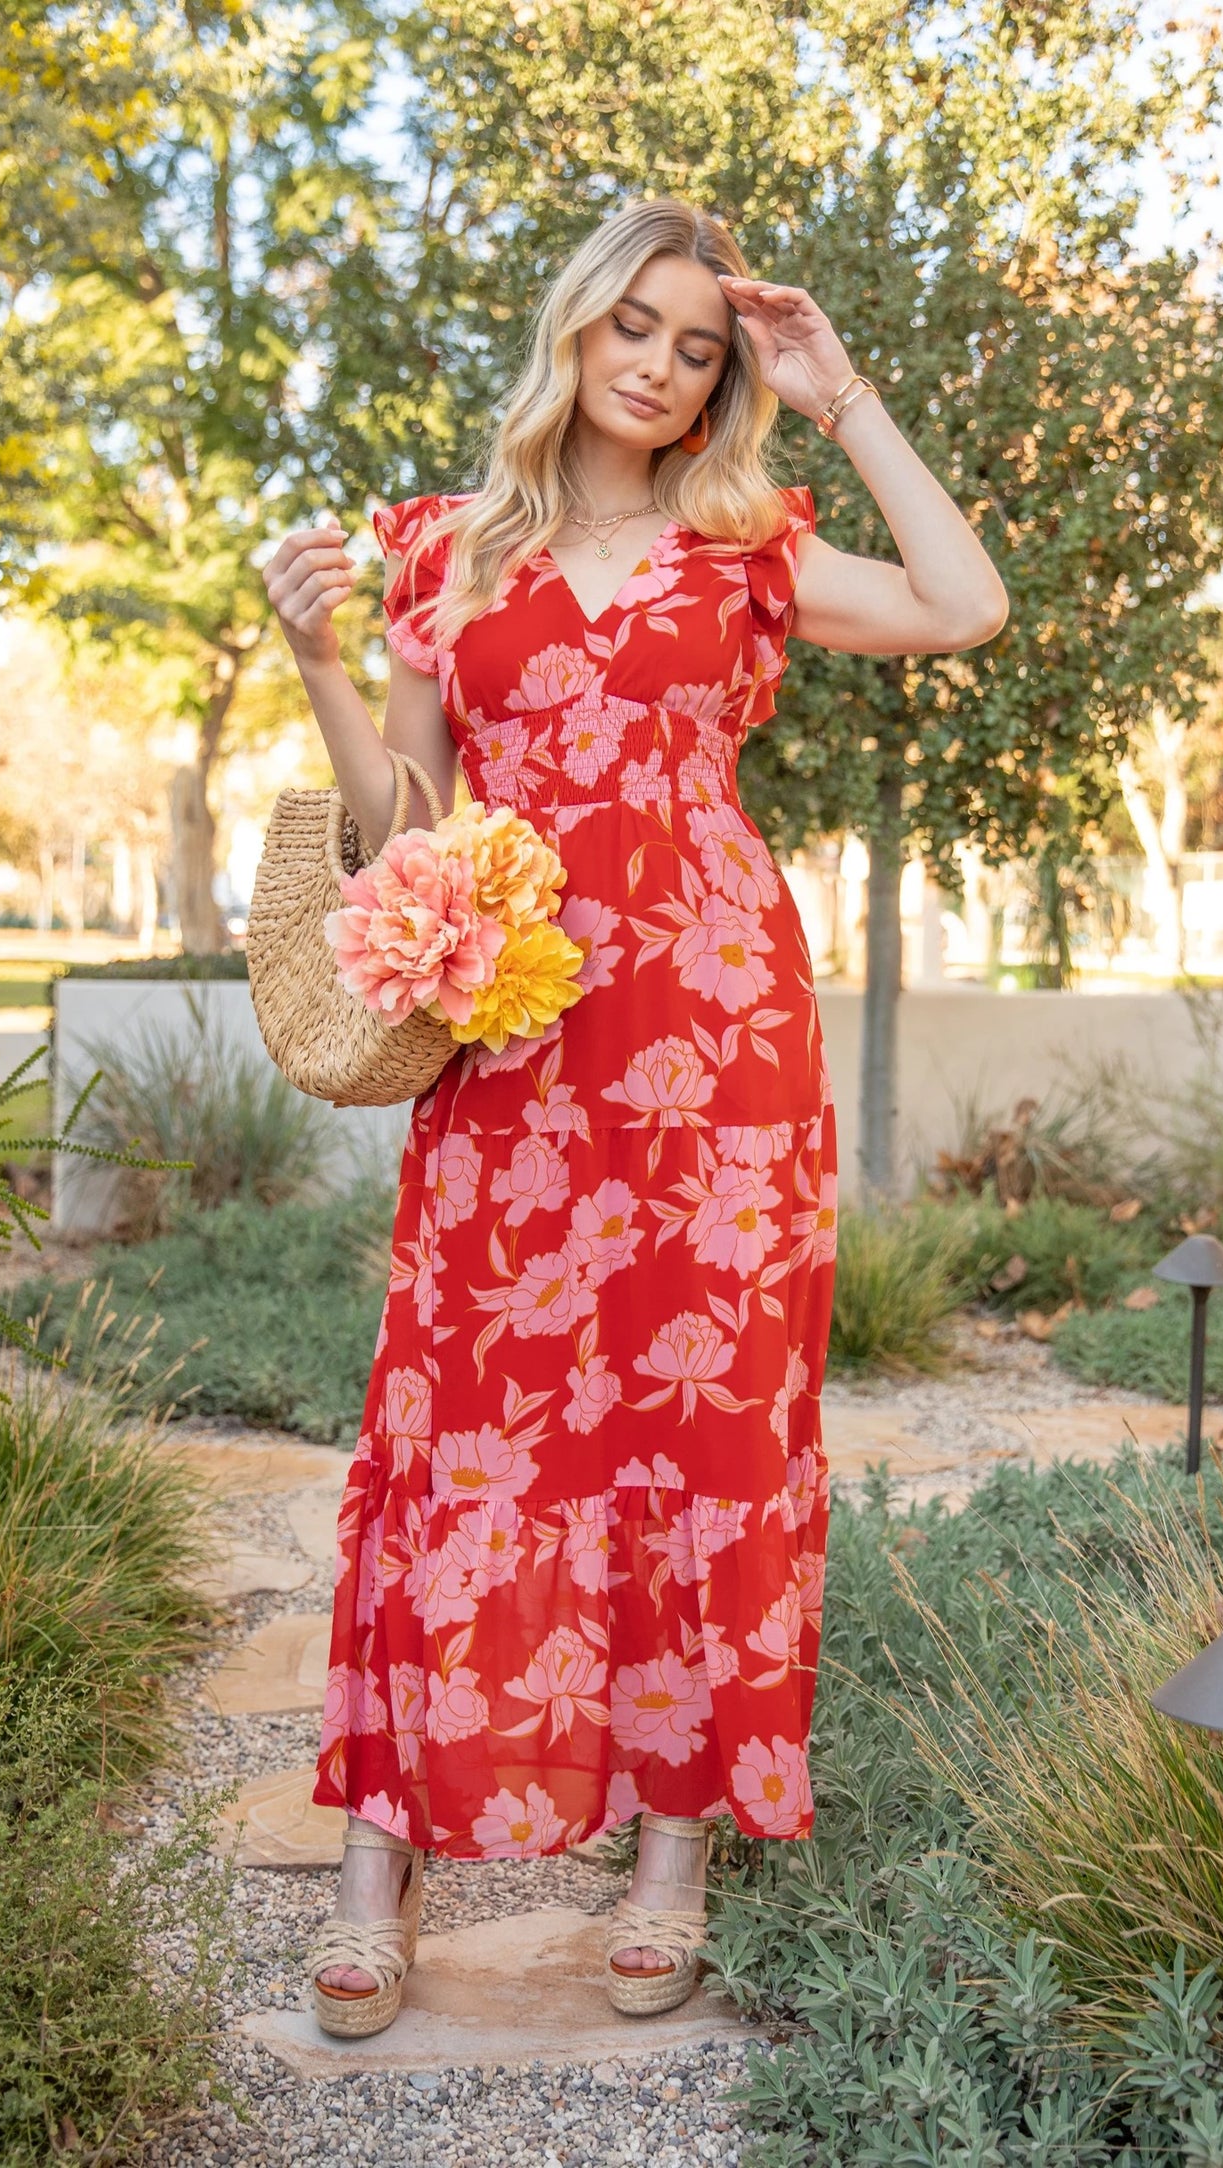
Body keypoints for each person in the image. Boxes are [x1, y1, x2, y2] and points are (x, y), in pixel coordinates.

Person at [261, 194, 1007, 2039]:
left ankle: (671, 1864)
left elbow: (962, 604)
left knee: (703, 1423)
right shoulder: (445, 550)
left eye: (699, 347)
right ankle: (381, 1859)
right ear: (576, 326)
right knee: (462, 1419)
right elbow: (409, 819)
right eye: (636, 328)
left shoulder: (745, 545)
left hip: (714, 1039)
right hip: (514, 1034)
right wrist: (323, 661)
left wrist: (840, 395)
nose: (663, 368)